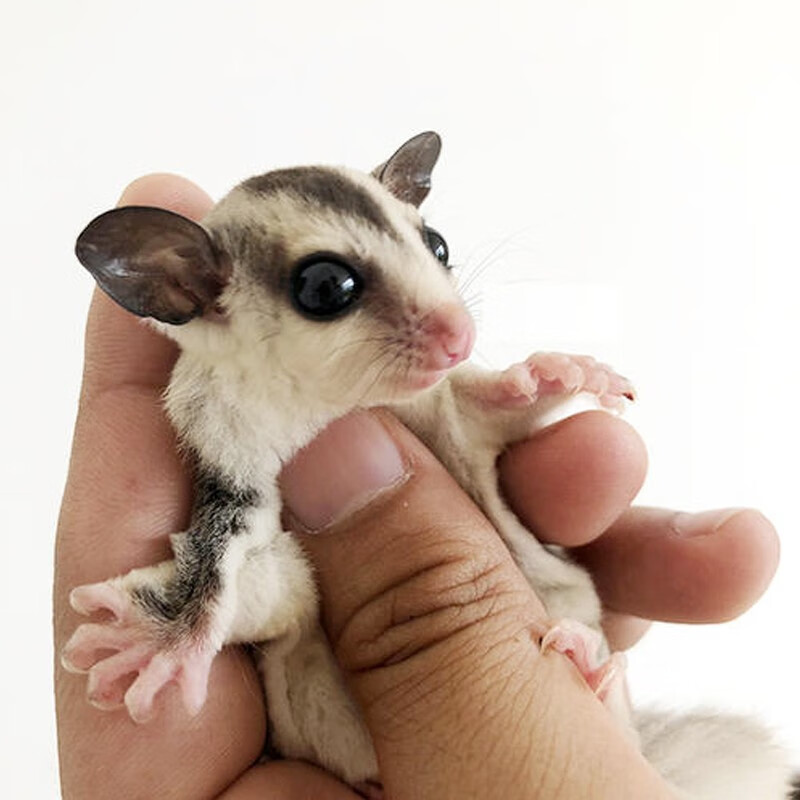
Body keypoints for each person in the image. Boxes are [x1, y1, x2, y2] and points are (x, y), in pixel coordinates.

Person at [53, 175, 780, 799]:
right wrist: (186, 620)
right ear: (196, 294)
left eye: (430, 251)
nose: (454, 329)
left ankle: (602, 709)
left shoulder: (393, 383)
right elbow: (258, 570)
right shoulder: (222, 404)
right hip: (333, 729)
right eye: (328, 288)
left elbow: (462, 424)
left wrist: (517, 394)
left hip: (540, 656)